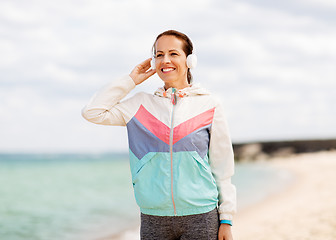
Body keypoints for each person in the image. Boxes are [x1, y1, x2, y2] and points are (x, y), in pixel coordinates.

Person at [82, 30, 236, 240]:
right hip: (153, 217)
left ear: (190, 60)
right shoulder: (139, 105)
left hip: (201, 215)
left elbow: (222, 167)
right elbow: (92, 112)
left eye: (173, 54)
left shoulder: (209, 104)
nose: (165, 60)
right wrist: (130, 81)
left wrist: (226, 219)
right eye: (159, 54)